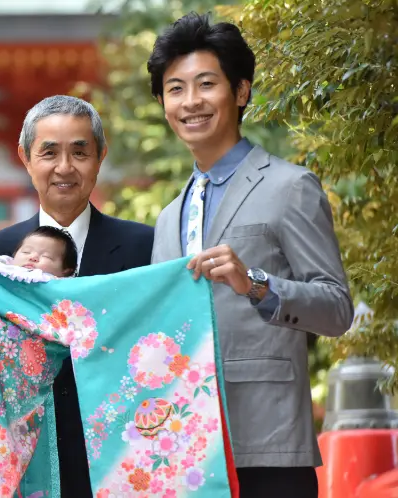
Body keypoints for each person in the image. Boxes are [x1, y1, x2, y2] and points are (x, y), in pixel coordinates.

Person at [147, 13, 354, 498]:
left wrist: (256, 284)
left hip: (269, 444)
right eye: (175, 89)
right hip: (187, 449)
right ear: (162, 103)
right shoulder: (167, 217)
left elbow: (337, 309)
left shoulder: (290, 187)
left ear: (240, 92)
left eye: (206, 84)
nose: (190, 101)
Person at [0, 95, 154, 496]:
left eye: (79, 152)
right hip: (24, 464)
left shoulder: (146, 248)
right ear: (25, 158)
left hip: (122, 460)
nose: (64, 167)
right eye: (49, 152)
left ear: (100, 156)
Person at [0, 225, 79, 279]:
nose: (33, 257)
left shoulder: (62, 284)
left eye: (46, 256)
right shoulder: (5, 266)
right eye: (26, 252)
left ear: (66, 271)